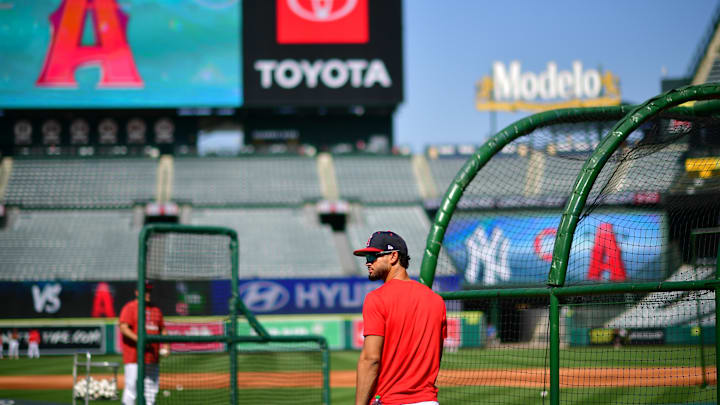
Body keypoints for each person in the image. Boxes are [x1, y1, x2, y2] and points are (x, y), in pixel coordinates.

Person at [353, 231, 447, 405]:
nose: (367, 262)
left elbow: (371, 359)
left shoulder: (376, 298)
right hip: (428, 401)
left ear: (393, 256)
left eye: (373, 256)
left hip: (391, 400)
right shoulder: (437, 301)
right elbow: (435, 357)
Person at [118, 281, 168, 405]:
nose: (148, 294)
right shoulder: (130, 307)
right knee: (132, 387)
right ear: (137, 292)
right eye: (145, 291)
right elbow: (124, 328)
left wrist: (167, 345)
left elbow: (163, 329)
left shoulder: (156, 309)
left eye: (149, 291)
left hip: (152, 357)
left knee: (151, 390)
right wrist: (140, 340)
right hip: (134, 357)